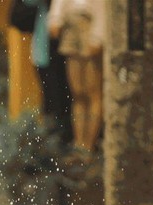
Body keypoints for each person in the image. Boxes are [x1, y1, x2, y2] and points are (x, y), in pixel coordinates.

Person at [48, 0, 105, 160]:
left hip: (89, 27)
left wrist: (97, 36)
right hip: (71, 28)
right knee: (77, 92)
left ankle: (89, 145)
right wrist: (55, 19)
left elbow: (102, 9)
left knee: (92, 92)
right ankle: (79, 143)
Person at [28, 0, 73, 145]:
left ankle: (63, 139)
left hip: (65, 49)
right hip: (46, 49)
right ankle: (53, 141)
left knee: (66, 98)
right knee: (51, 98)